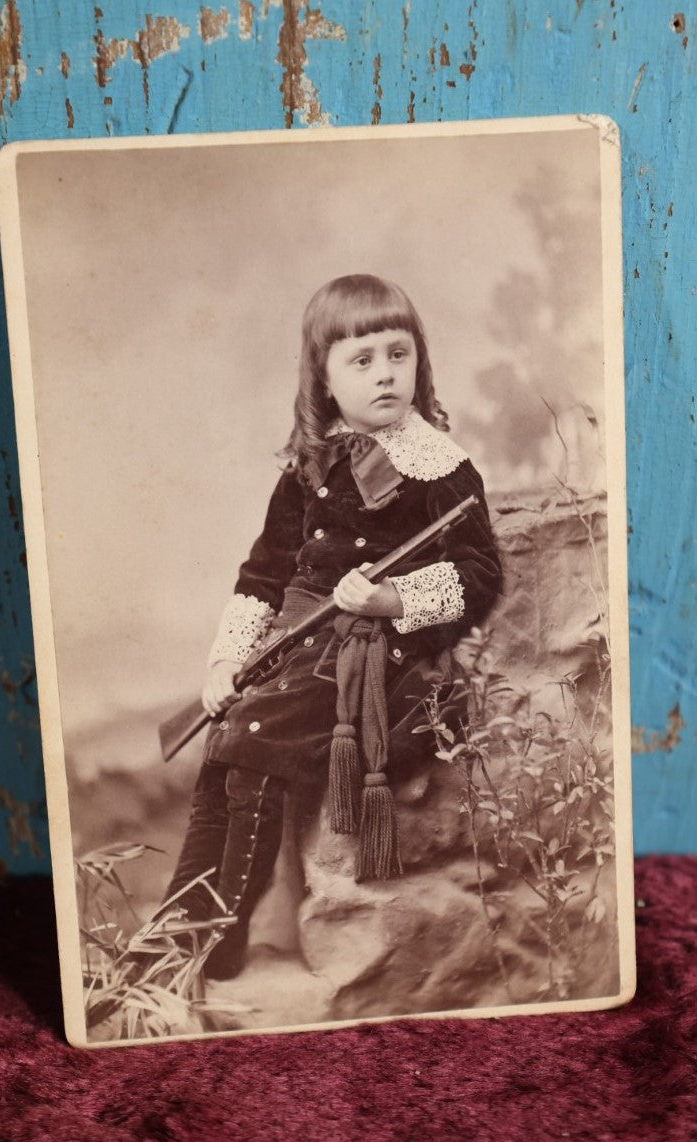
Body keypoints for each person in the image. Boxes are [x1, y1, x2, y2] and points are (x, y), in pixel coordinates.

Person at [161, 274, 502, 980]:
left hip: (374, 652)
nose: (383, 373)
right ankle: (170, 939)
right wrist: (224, 664)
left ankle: (213, 944)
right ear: (322, 377)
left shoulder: (442, 468)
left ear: (418, 361)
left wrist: (389, 599)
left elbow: (478, 576)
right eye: (361, 360)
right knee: (221, 749)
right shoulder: (309, 467)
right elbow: (263, 574)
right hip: (294, 642)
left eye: (396, 353)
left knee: (252, 744)